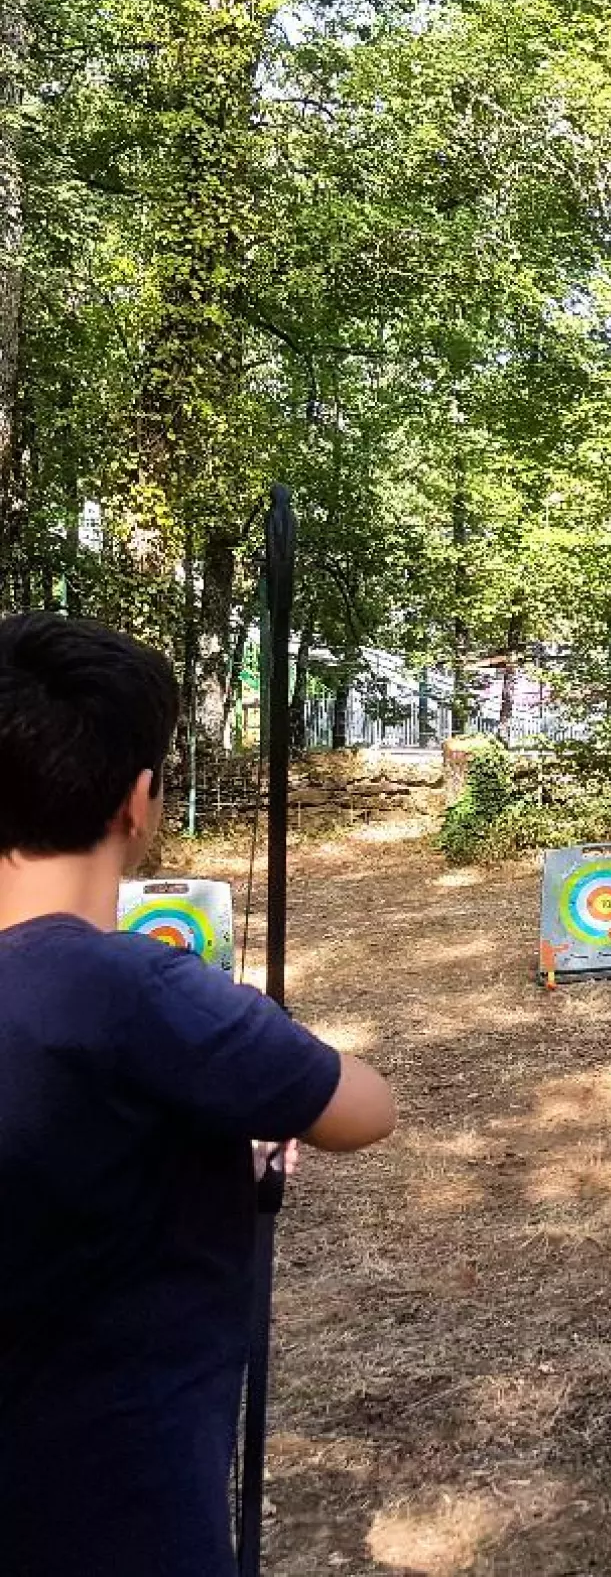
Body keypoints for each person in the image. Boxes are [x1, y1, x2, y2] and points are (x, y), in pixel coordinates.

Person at [0, 611, 396, 1577]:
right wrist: (235, 1060)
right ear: (139, 803)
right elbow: (362, 1109)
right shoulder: (136, 990)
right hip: (116, 1510)